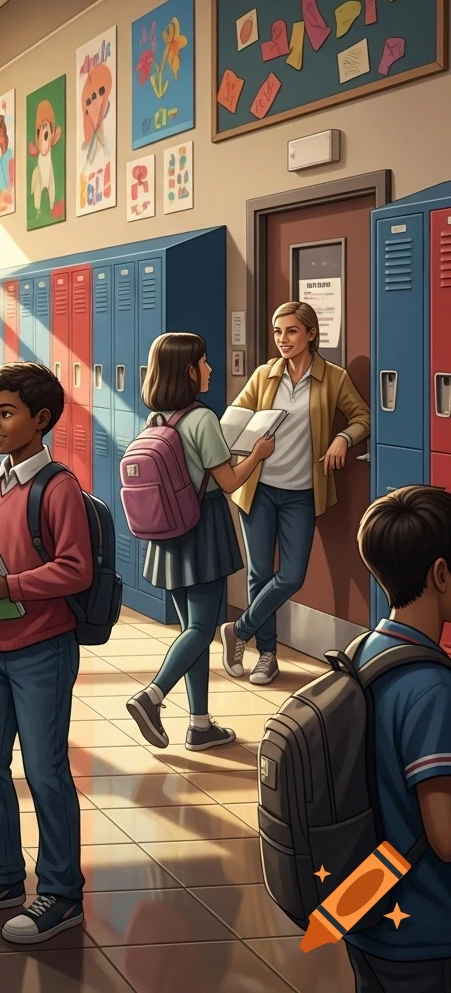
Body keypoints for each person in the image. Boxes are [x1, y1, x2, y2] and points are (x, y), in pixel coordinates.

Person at [0, 362, 92, 945]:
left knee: (46, 772)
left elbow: (75, 569)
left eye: (7, 414)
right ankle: (2, 877)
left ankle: (61, 892)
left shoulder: (58, 488)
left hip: (41, 650)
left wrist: (11, 587)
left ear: (42, 420)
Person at [125, 333, 274, 753]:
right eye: (204, 362)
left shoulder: (157, 418)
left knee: (193, 631)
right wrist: (258, 453)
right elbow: (228, 482)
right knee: (201, 629)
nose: (209, 369)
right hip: (202, 525)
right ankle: (151, 696)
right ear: (188, 370)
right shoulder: (201, 418)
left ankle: (200, 724)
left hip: (165, 533)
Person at [220, 301, 370, 685]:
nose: (282, 340)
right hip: (259, 488)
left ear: (311, 334)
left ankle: (239, 629)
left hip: (302, 491)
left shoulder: (332, 378)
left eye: (290, 331)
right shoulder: (264, 375)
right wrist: (251, 443)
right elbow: (236, 419)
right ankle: (267, 655)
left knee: (290, 576)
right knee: (259, 574)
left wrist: (342, 437)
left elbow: (362, 417)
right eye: (277, 332)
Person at [343, 485, 451, 991]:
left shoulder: (365, 650)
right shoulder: (431, 687)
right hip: (426, 930)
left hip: (367, 912)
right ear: (441, 574)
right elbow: (445, 836)